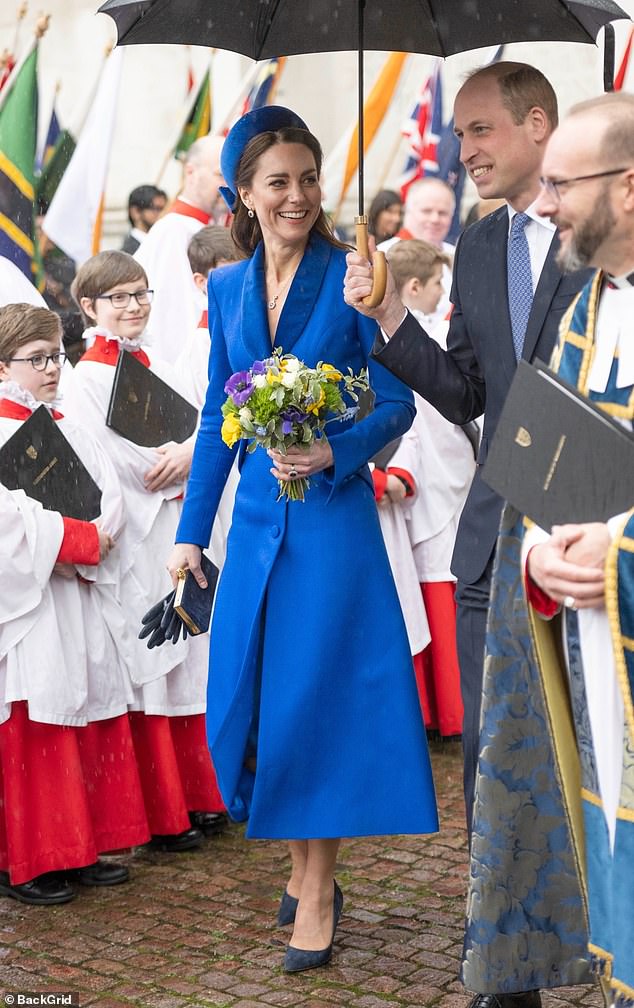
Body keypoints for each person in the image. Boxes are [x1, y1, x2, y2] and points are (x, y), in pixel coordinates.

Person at [167, 104, 439, 974]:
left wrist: (334, 446)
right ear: (243, 194)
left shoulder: (359, 277)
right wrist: (188, 536)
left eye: (309, 179)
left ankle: (317, 888)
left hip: (331, 528)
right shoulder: (224, 288)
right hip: (252, 531)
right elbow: (217, 417)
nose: (297, 196)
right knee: (253, 702)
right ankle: (300, 864)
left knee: (316, 703)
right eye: (277, 182)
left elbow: (397, 402)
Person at [344, 61, 594, 1006]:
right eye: (459, 133)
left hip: (591, 543)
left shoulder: (608, 238)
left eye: (482, 130)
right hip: (493, 546)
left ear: (538, 124)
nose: (465, 151)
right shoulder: (484, 246)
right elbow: (469, 393)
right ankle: (511, 963)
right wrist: (390, 315)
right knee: (495, 770)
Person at [473, 90, 634, 1008]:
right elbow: (542, 475)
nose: (547, 203)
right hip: (590, 648)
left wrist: (615, 555)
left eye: (566, 184)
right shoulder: (583, 315)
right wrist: (536, 558)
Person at [65, 250, 225, 851]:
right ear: (89, 307)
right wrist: (186, 459)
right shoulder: (85, 379)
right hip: (139, 534)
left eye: (141, 294)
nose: (133, 306)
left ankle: (203, 794)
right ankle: (165, 812)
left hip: (178, 526)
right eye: (119, 298)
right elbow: (112, 463)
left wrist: (191, 454)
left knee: (190, 656)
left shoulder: (155, 359)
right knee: (154, 663)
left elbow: (198, 428)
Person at [0, 303, 149, 905]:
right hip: (31, 607)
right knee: (38, 718)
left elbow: (109, 492)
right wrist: (78, 541)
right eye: (37, 360)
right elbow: (10, 525)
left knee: (84, 705)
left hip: (76, 593)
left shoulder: (67, 422)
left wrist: (101, 534)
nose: (52, 369)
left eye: (55, 356)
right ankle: (27, 861)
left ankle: (81, 847)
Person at [386, 239, 474, 738]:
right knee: (433, 593)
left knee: (436, 588)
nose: (444, 292)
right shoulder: (425, 342)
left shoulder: (433, 336)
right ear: (415, 287)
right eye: (439, 283)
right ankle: (451, 712)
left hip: (439, 479)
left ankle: (446, 711)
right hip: (427, 480)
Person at [135, 136, 226, 363]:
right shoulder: (174, 230)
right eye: (220, 174)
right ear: (191, 172)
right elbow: (177, 318)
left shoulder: (205, 227)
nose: (228, 184)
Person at [378, 177, 456, 324]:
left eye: (443, 213)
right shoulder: (382, 256)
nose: (435, 219)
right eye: (426, 211)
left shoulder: (460, 255)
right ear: (407, 211)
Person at [121, 184, 167, 255]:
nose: (163, 214)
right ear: (136, 212)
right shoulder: (128, 254)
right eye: (157, 209)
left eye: (164, 209)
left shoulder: (163, 244)